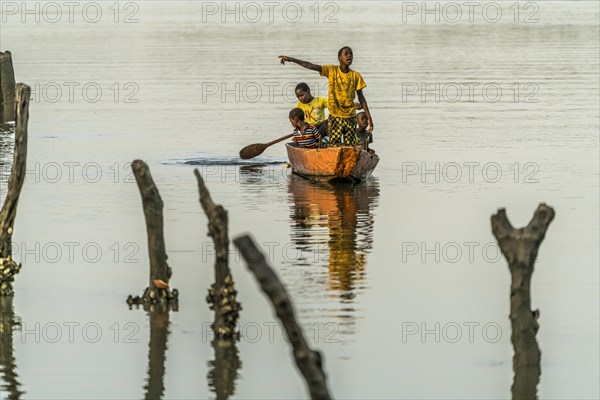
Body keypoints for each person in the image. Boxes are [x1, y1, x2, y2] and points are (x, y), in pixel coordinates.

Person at [279, 46, 373, 146]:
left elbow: (362, 99)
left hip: (350, 118)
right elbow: (311, 66)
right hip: (335, 118)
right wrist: (292, 59)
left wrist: (369, 119)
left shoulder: (356, 76)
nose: (349, 55)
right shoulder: (331, 70)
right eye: (346, 54)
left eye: (351, 54)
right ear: (339, 58)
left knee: (350, 147)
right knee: (334, 146)